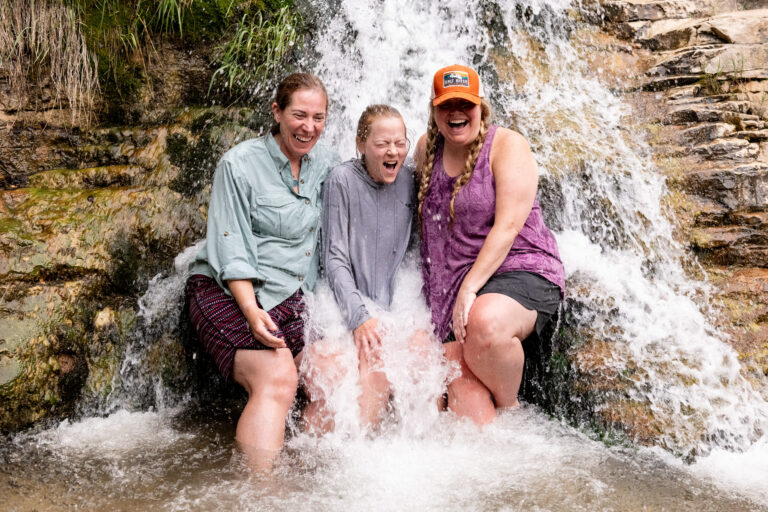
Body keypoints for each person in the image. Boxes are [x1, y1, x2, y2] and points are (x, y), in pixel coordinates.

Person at [185, 73, 339, 470]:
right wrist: (252, 312)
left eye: (318, 117)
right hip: (229, 292)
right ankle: (261, 493)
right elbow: (231, 247)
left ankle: (305, 477)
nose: (309, 127)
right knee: (278, 378)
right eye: (299, 115)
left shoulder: (328, 164)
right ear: (277, 111)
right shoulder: (238, 164)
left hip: (294, 297)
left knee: (332, 376)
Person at [415, 64, 565, 425]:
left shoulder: (507, 145)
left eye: (465, 104)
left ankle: (512, 410)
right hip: (454, 282)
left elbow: (509, 226)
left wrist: (468, 291)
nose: (456, 114)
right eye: (446, 105)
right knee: (460, 387)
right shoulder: (424, 150)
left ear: (480, 108)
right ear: (434, 110)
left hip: (520, 266)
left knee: (483, 322)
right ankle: (499, 459)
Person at [301, 104, 432, 433]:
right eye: (382, 143)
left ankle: (420, 452)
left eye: (399, 143)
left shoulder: (409, 179)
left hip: (394, 303)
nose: (393, 151)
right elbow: (334, 258)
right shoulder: (341, 180)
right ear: (360, 144)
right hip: (343, 305)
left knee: (423, 357)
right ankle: (345, 460)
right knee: (368, 366)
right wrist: (358, 316)